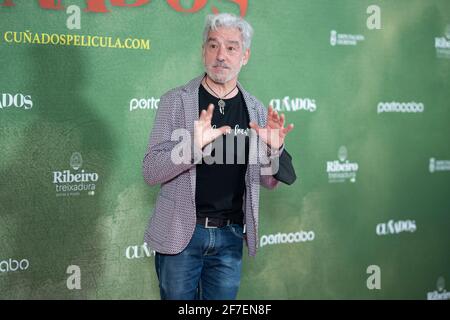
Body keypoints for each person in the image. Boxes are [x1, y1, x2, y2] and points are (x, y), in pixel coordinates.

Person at [142, 13, 294, 300]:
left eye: (231, 47)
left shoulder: (256, 110)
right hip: (182, 235)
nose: (221, 55)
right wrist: (192, 148)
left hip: (230, 238)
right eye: (213, 46)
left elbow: (268, 181)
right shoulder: (177, 101)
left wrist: (273, 150)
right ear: (203, 52)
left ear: (245, 55)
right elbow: (150, 171)